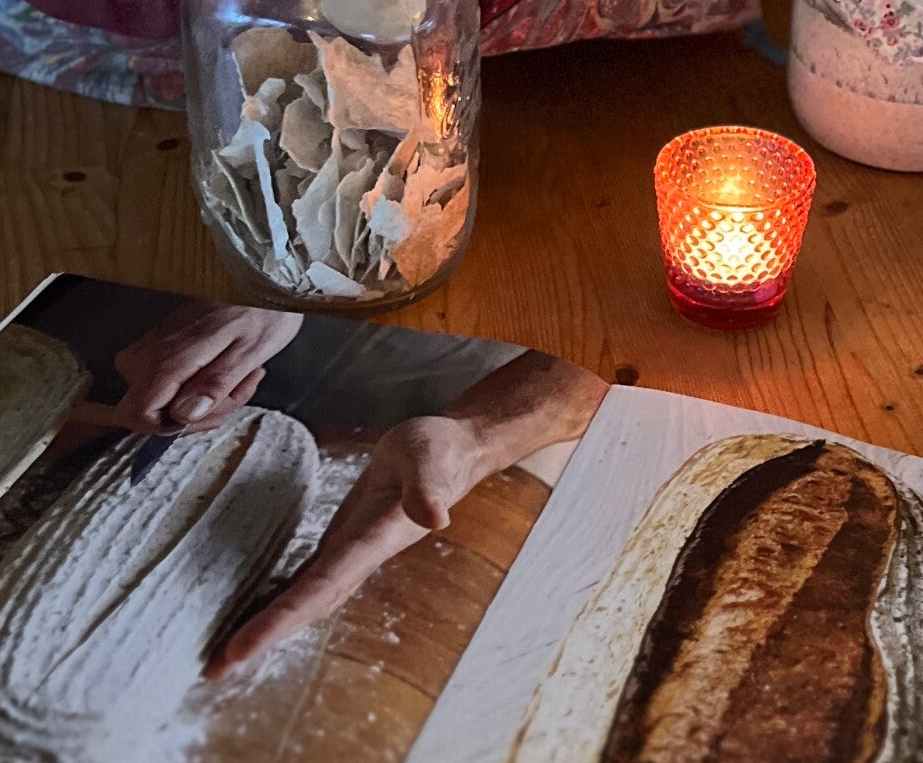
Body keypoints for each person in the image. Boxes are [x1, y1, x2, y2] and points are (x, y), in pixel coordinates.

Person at [31, 286, 604, 678]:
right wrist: (249, 278)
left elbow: (634, 344)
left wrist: (479, 436)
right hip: (200, 271)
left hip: (490, 339)